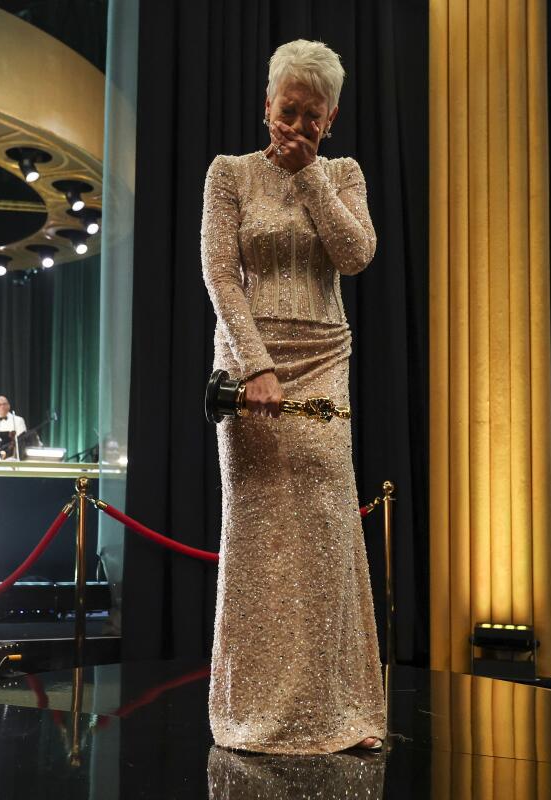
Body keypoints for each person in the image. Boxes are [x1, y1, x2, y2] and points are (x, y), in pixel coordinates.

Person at [201, 39, 383, 754]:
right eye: (288, 111)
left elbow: (356, 254)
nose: (297, 126)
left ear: (331, 117)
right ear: (266, 105)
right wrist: (255, 368)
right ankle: (251, 715)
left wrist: (311, 178)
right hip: (250, 368)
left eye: (313, 116)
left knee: (329, 523)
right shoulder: (230, 174)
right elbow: (221, 277)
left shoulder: (343, 173)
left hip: (323, 359)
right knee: (259, 536)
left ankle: (337, 713)